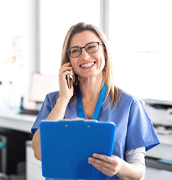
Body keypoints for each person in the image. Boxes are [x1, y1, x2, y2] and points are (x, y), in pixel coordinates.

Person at [31, 22, 160, 180]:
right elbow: (39, 152)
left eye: (91, 47)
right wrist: (64, 99)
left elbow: (139, 171)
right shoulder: (54, 100)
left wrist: (119, 166)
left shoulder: (130, 105)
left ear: (105, 51)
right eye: (75, 51)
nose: (84, 56)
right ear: (69, 61)